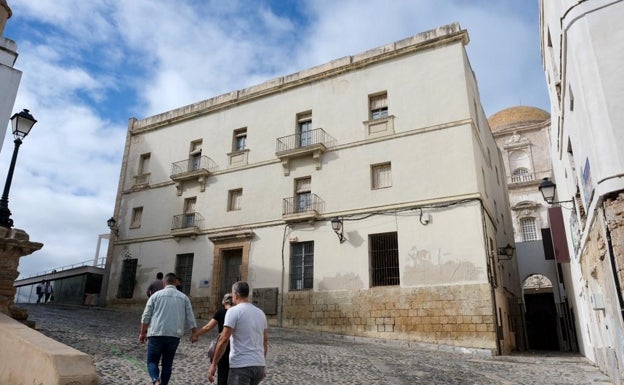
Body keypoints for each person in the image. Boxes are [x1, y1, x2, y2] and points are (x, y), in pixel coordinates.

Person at [139, 272, 197, 385]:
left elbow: (146, 316)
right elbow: (190, 316)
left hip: (156, 333)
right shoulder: (184, 297)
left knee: (152, 361)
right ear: (175, 282)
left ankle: (155, 381)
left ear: (164, 283)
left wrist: (142, 333)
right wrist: (194, 333)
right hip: (174, 335)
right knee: (167, 363)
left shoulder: (155, 296)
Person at [208, 281, 268, 385]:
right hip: (258, 365)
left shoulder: (233, 311)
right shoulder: (260, 313)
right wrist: (262, 364)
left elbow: (224, 339)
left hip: (241, 366)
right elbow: (265, 340)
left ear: (236, 295)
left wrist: (214, 364)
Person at [190, 293, 234, 385]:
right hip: (236, 345)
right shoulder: (237, 312)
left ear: (223, 302)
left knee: (223, 371)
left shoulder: (221, 312)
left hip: (224, 344)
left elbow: (208, 326)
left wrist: (196, 334)